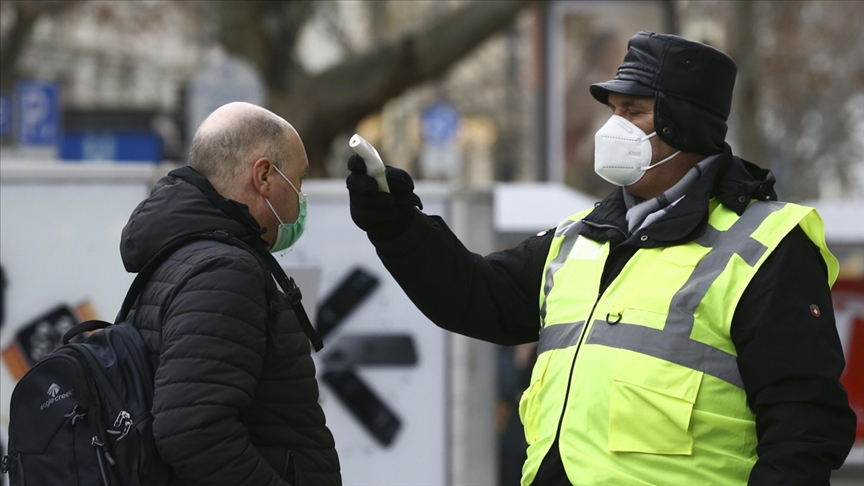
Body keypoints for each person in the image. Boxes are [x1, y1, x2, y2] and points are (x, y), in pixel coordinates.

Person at [345, 31, 856, 485]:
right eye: (613, 111)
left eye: (635, 112)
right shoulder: (580, 238)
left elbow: (803, 430)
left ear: (686, 126)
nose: (615, 128)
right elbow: (474, 296)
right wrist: (396, 223)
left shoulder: (766, 246)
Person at [120, 102, 340, 485]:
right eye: (299, 183)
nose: (302, 201)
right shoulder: (225, 272)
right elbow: (192, 431)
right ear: (265, 177)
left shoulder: (183, 257)